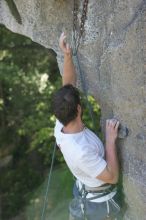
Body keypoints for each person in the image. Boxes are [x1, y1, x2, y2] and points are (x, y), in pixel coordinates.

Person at [53, 32, 121, 220]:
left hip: (83, 188)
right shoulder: (81, 151)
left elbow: (68, 85)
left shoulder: (61, 124)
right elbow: (112, 176)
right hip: (100, 206)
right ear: (79, 109)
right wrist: (110, 141)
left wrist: (67, 55)